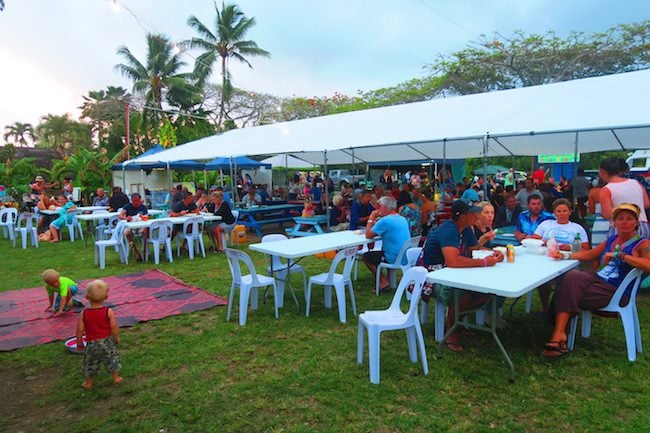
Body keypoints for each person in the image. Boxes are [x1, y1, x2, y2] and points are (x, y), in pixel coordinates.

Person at [543, 203, 650, 357]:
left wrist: (621, 256)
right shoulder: (612, 239)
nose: (625, 222)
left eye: (629, 219)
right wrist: (565, 255)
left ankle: (558, 335)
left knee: (566, 289)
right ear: (614, 222)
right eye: (620, 219)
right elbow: (591, 254)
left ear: (636, 223)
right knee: (570, 277)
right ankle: (560, 333)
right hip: (597, 279)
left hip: (616, 290)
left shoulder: (643, 243)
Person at [422, 200, 504, 351]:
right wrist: (484, 262)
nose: (477, 215)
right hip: (430, 276)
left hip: (452, 272)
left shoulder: (465, 229)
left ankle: (455, 323)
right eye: (473, 213)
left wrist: (493, 253)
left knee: (485, 291)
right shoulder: (449, 230)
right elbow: (453, 261)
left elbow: (475, 248)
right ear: (463, 216)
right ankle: (451, 330)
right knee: (463, 292)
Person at [75, 279, 123, 389]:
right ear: (106, 297)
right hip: (106, 342)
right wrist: (116, 338)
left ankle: (88, 383)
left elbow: (80, 330)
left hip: (91, 344)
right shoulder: (108, 312)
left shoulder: (84, 313)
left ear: (87, 297)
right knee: (112, 359)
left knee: (90, 363)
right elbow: (114, 327)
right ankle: (116, 377)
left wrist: (79, 342)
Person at [362, 195, 411, 291]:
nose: (378, 209)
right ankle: (388, 279)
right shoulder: (401, 218)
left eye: (379, 206)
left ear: (384, 207)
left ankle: (383, 281)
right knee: (384, 250)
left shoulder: (385, 220)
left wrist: (371, 217)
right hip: (406, 255)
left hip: (394, 257)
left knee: (366, 257)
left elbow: (368, 235)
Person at [599, 156, 650, 238]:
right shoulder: (636, 183)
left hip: (621, 228)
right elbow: (647, 204)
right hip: (642, 226)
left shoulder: (606, 189)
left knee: (619, 250)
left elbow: (607, 214)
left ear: (603, 172)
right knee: (642, 250)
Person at [119, 193, 149, 261]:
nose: (135, 202)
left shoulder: (143, 207)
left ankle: (144, 250)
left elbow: (147, 217)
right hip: (130, 225)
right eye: (134, 201)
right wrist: (126, 218)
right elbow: (120, 216)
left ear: (140, 200)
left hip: (141, 225)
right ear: (131, 200)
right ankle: (135, 251)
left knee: (146, 231)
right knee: (127, 233)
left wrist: (143, 217)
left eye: (137, 201)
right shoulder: (127, 206)